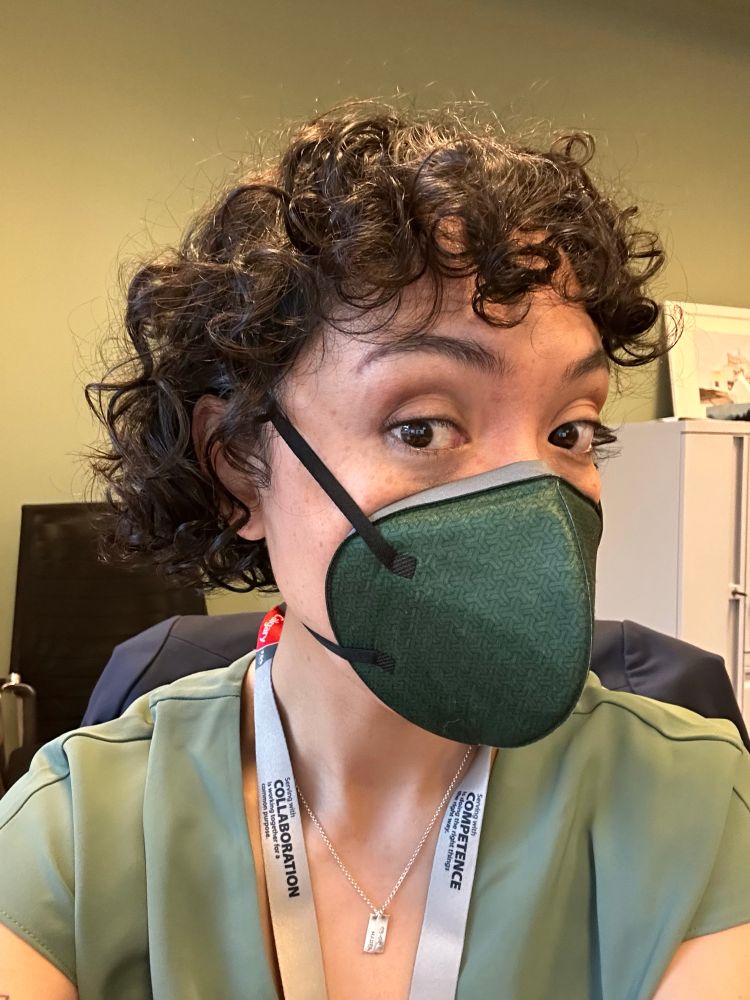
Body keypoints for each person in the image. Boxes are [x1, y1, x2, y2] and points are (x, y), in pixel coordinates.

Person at [1, 99, 749, 1000]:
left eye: (572, 431)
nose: (536, 499)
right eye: (423, 427)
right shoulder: (77, 832)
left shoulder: (696, 806)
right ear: (241, 462)